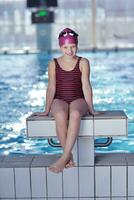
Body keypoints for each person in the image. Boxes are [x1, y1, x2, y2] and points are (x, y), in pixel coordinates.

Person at [40, 28, 101, 173]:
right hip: (59, 99)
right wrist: (46, 110)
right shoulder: (53, 63)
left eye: (73, 46)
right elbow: (51, 88)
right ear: (60, 47)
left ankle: (64, 158)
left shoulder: (83, 62)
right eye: (65, 47)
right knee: (60, 115)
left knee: (74, 114)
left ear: (77, 46)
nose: (69, 50)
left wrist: (91, 108)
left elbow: (86, 86)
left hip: (78, 99)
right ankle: (69, 156)